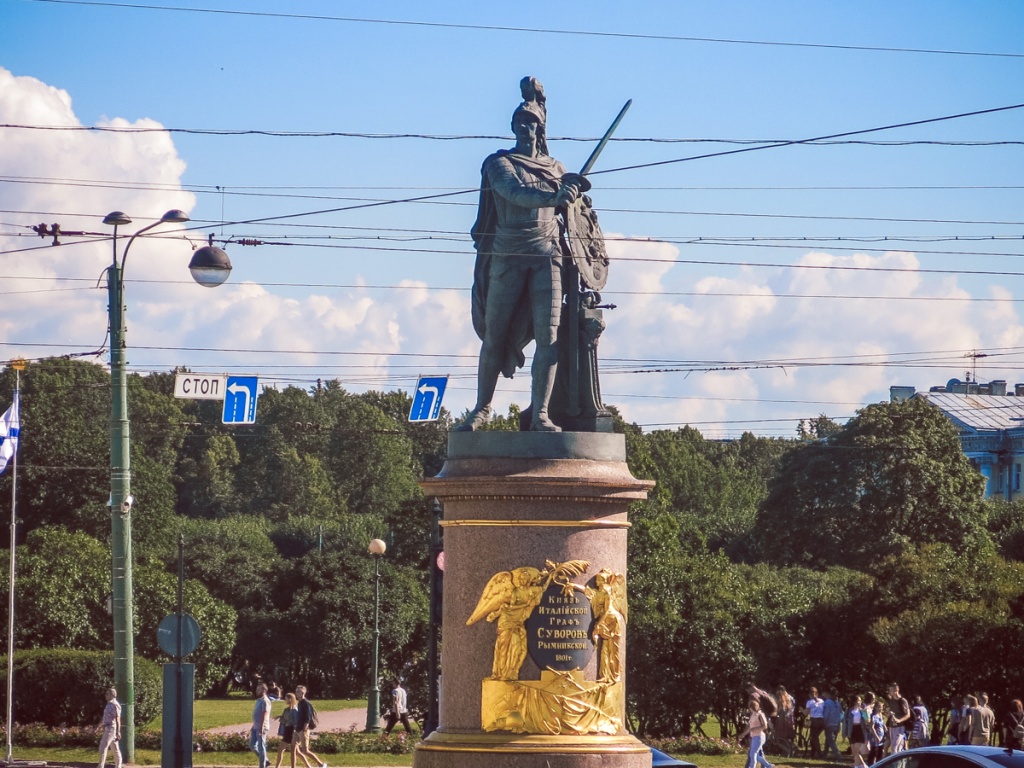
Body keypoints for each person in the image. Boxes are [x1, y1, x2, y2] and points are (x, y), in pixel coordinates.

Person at [456, 76, 584, 433]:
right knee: (494, 335)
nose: (527, 127)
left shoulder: (556, 169)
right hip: (507, 257)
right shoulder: (498, 164)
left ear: (541, 129)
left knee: (550, 337)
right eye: (522, 122)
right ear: (513, 126)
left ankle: (541, 414)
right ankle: (481, 409)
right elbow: (514, 194)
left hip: (548, 256)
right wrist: (554, 197)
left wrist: (573, 192)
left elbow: (577, 217)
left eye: (534, 123)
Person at [292, 685, 327, 768]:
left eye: (298, 692)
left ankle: (321, 764)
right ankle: (306, 766)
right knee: (294, 748)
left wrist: (304, 728)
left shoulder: (306, 703)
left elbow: (308, 717)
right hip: (297, 729)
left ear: (302, 693)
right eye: (296, 691)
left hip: (303, 730)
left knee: (305, 751)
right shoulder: (300, 703)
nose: (296, 693)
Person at [737, 698, 774, 768]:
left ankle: (752, 766)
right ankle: (767, 765)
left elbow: (765, 726)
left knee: (752, 754)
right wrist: (742, 735)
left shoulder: (760, 715)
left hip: (759, 737)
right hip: (754, 737)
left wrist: (755, 728)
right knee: (756, 755)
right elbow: (750, 728)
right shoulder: (753, 715)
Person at [98, 687, 122, 768]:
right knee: (115, 748)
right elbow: (105, 717)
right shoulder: (108, 704)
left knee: (103, 746)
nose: (105, 695)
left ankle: (100, 766)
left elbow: (118, 718)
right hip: (107, 727)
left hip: (111, 728)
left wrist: (118, 731)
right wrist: (99, 726)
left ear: (112, 695)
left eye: (107, 694)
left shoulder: (115, 705)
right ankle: (118, 766)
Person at [844, 695, 870, 768]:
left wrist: (865, 713)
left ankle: (863, 765)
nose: (860, 702)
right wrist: (844, 733)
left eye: (860, 700)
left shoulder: (862, 711)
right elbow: (845, 722)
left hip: (860, 730)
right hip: (852, 730)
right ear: (855, 701)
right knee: (853, 751)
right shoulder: (849, 711)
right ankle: (857, 765)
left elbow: (867, 721)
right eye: (859, 700)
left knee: (856, 750)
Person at [273, 693, 299, 768]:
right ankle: (308, 765)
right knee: (297, 752)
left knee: (281, 749)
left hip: (291, 731)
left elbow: (295, 722)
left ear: (290, 699)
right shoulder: (286, 709)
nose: (285, 700)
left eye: (286, 698)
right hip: (287, 730)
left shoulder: (294, 710)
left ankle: (277, 766)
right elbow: (285, 719)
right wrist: (279, 717)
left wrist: (295, 732)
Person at [250, 682, 271, 768]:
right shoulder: (259, 700)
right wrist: (254, 725)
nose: (256, 690)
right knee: (252, 746)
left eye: (258, 689)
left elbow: (264, 714)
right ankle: (265, 761)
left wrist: (261, 728)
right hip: (255, 726)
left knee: (261, 746)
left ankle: (262, 765)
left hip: (262, 727)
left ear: (264, 690)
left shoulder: (265, 701)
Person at [887, 683, 911, 754]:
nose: (890, 692)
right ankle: (901, 763)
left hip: (900, 726)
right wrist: (888, 714)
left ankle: (895, 764)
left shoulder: (903, 700)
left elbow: (908, 714)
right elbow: (889, 713)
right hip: (892, 726)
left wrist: (899, 720)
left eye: (891, 690)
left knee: (894, 747)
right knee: (898, 747)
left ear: (896, 690)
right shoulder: (891, 701)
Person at [821, 688, 843, 761]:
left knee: (831, 742)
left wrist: (824, 723)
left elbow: (826, 714)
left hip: (829, 724)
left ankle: (838, 756)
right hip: (836, 725)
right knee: (828, 740)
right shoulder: (838, 703)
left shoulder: (827, 703)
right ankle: (824, 755)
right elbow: (841, 714)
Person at [806, 687, 825, 758]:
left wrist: (801, 709)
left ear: (810, 694)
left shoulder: (809, 702)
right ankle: (812, 754)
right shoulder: (822, 701)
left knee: (814, 738)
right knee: (814, 737)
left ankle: (820, 754)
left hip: (814, 720)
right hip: (822, 721)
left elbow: (806, 713)